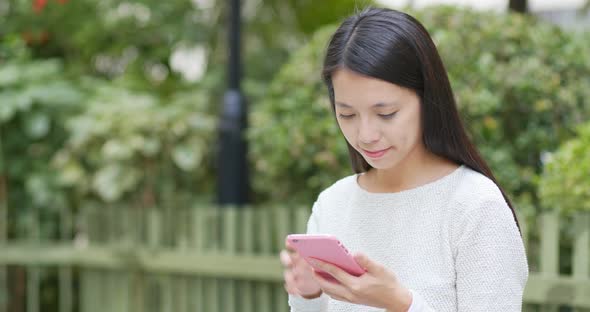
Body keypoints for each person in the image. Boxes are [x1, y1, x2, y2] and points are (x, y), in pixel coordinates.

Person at [279, 7, 529, 312]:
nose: (366, 134)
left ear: (427, 98)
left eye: (386, 114)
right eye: (347, 114)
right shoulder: (333, 204)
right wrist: (309, 295)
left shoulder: (475, 205)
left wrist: (400, 303)